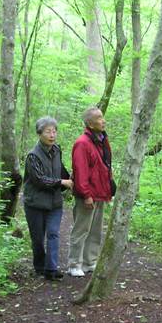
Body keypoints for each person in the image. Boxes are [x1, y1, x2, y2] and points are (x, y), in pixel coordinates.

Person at [22, 116, 73, 281]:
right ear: (39, 134)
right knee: (38, 238)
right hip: (35, 203)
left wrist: (73, 178)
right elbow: (39, 180)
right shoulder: (32, 156)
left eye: (54, 131)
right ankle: (39, 267)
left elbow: (61, 170)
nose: (52, 135)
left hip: (55, 203)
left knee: (53, 234)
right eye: (48, 131)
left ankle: (51, 269)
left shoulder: (57, 149)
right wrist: (62, 182)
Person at [68, 107, 113, 277]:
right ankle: (74, 264)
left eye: (102, 117)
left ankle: (89, 262)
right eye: (99, 118)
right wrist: (86, 195)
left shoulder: (101, 140)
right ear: (90, 123)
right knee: (81, 230)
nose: (103, 121)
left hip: (100, 193)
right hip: (87, 195)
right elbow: (81, 171)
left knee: (95, 231)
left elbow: (105, 166)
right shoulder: (82, 143)